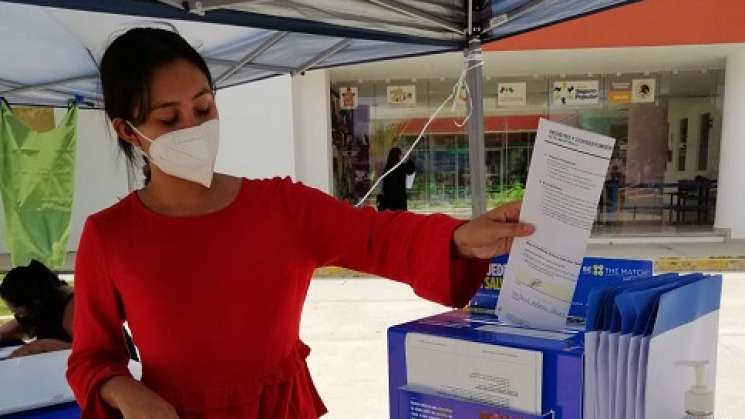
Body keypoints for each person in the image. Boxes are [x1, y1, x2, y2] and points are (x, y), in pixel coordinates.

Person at [66, 28, 535, 419]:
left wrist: (458, 236)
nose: (193, 127)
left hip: (284, 409)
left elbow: (376, 236)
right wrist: (126, 392)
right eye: (169, 118)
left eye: (204, 108)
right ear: (128, 131)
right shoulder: (110, 236)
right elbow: (91, 357)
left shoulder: (280, 206)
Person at [0, 260, 74, 358]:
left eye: (21, 313)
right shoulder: (39, 309)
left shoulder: (72, 306)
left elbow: (87, 350)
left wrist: (43, 345)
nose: (19, 316)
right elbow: (6, 332)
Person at [378, 146, 416, 211]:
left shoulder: (387, 168)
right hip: (399, 200)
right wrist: (407, 159)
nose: (402, 156)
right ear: (397, 155)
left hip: (388, 200)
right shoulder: (400, 167)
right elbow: (411, 170)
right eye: (401, 154)